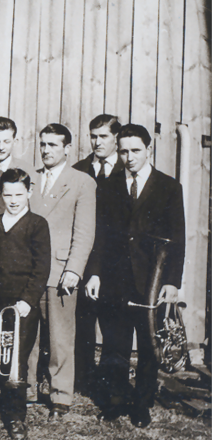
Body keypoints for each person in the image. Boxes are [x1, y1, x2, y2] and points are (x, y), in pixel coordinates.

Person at [85, 124, 185, 428]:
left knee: (147, 347)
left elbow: (178, 238)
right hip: (115, 281)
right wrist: (95, 274)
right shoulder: (108, 185)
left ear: (148, 149)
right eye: (124, 151)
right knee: (114, 345)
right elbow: (99, 234)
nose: (129, 157)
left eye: (135, 150)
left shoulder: (169, 186)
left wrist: (171, 281)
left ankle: (142, 404)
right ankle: (115, 401)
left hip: (151, 284)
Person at [26, 124, 96, 420]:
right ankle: (26, 391)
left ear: (67, 148)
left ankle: (60, 396)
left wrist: (74, 270)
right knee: (27, 335)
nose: (46, 150)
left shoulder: (81, 182)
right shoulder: (30, 178)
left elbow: (84, 232)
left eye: (53, 145)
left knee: (60, 338)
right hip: (29, 271)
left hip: (60, 272)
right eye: (43, 144)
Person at [0, 168, 51, 440]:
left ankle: (17, 416)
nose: (13, 200)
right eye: (7, 194)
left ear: (29, 193)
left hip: (21, 304)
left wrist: (27, 301)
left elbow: (41, 268)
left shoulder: (37, 224)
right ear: (0, 194)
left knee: (16, 360)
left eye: (19, 194)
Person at [71, 114, 123, 394]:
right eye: (93, 136)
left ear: (116, 137)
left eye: (103, 136)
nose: (97, 142)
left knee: (113, 325)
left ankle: (111, 382)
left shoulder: (125, 172)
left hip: (115, 265)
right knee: (83, 323)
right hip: (85, 259)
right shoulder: (79, 170)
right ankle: (83, 379)